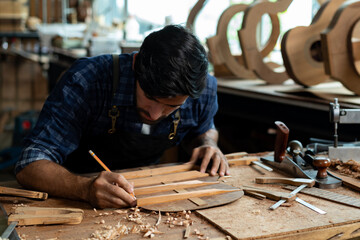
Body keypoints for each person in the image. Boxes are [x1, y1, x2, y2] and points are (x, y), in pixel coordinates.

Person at [15, 24, 229, 209]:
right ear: (136, 64)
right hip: (75, 193)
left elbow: (204, 128)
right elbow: (29, 164)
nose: (155, 114)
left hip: (145, 190)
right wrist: (84, 188)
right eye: (149, 96)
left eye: (171, 107)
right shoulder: (87, 80)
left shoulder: (203, 89)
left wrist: (208, 143)